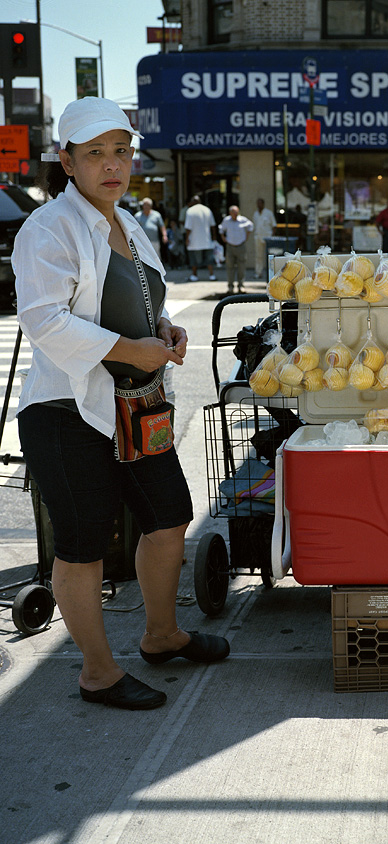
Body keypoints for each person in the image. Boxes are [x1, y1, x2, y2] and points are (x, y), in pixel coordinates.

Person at [11, 97, 229, 711]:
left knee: (168, 518)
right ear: (67, 160)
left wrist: (164, 329)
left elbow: (142, 296)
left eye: (121, 151)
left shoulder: (127, 223)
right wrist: (130, 351)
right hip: (65, 412)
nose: (112, 165)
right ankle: (99, 672)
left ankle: (162, 635)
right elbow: (45, 320)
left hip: (136, 405)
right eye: (95, 153)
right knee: (82, 543)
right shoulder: (47, 227)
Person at [218, 204, 254, 294]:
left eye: (237, 212)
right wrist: (223, 238)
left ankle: (241, 285)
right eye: (234, 212)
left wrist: (247, 236)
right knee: (230, 267)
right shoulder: (226, 220)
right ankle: (230, 287)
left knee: (241, 266)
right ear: (230, 213)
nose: (235, 214)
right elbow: (221, 229)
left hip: (240, 245)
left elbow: (251, 226)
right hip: (230, 246)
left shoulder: (242, 220)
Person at [184, 194, 217, 282]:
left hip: (194, 240)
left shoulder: (190, 211)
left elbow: (188, 227)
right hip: (207, 239)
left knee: (193, 259)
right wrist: (214, 237)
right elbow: (213, 225)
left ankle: (194, 275)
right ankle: (212, 275)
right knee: (209, 258)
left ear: (193, 202)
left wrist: (187, 238)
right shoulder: (207, 210)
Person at [252, 197, 276, 279]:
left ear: (263, 204)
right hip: (258, 236)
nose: (259, 205)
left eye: (260, 203)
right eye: (257, 203)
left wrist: (272, 237)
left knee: (270, 255)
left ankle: (271, 272)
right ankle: (258, 272)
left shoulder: (268, 213)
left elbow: (274, 225)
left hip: (268, 237)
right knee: (258, 256)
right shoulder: (255, 214)